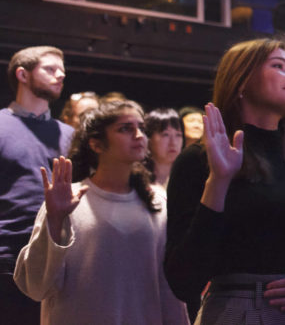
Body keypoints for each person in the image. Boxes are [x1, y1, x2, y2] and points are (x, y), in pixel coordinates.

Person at [165, 38, 285, 324]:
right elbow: (183, 280)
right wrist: (219, 181)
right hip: (238, 311)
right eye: (279, 66)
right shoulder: (199, 160)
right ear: (241, 81)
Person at [13, 99, 188, 324]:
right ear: (97, 144)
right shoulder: (69, 199)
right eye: (126, 128)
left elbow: (168, 291)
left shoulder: (157, 203)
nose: (139, 135)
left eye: (141, 128)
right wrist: (55, 219)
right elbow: (35, 286)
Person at [1, 46, 73, 325]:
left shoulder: (69, 135)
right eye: (50, 69)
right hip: (7, 255)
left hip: (59, 255)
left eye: (62, 71)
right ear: (22, 74)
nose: (60, 75)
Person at [144, 108, 184, 188]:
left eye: (178, 135)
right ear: (148, 138)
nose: (173, 142)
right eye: (165, 135)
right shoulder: (136, 178)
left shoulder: (187, 177)